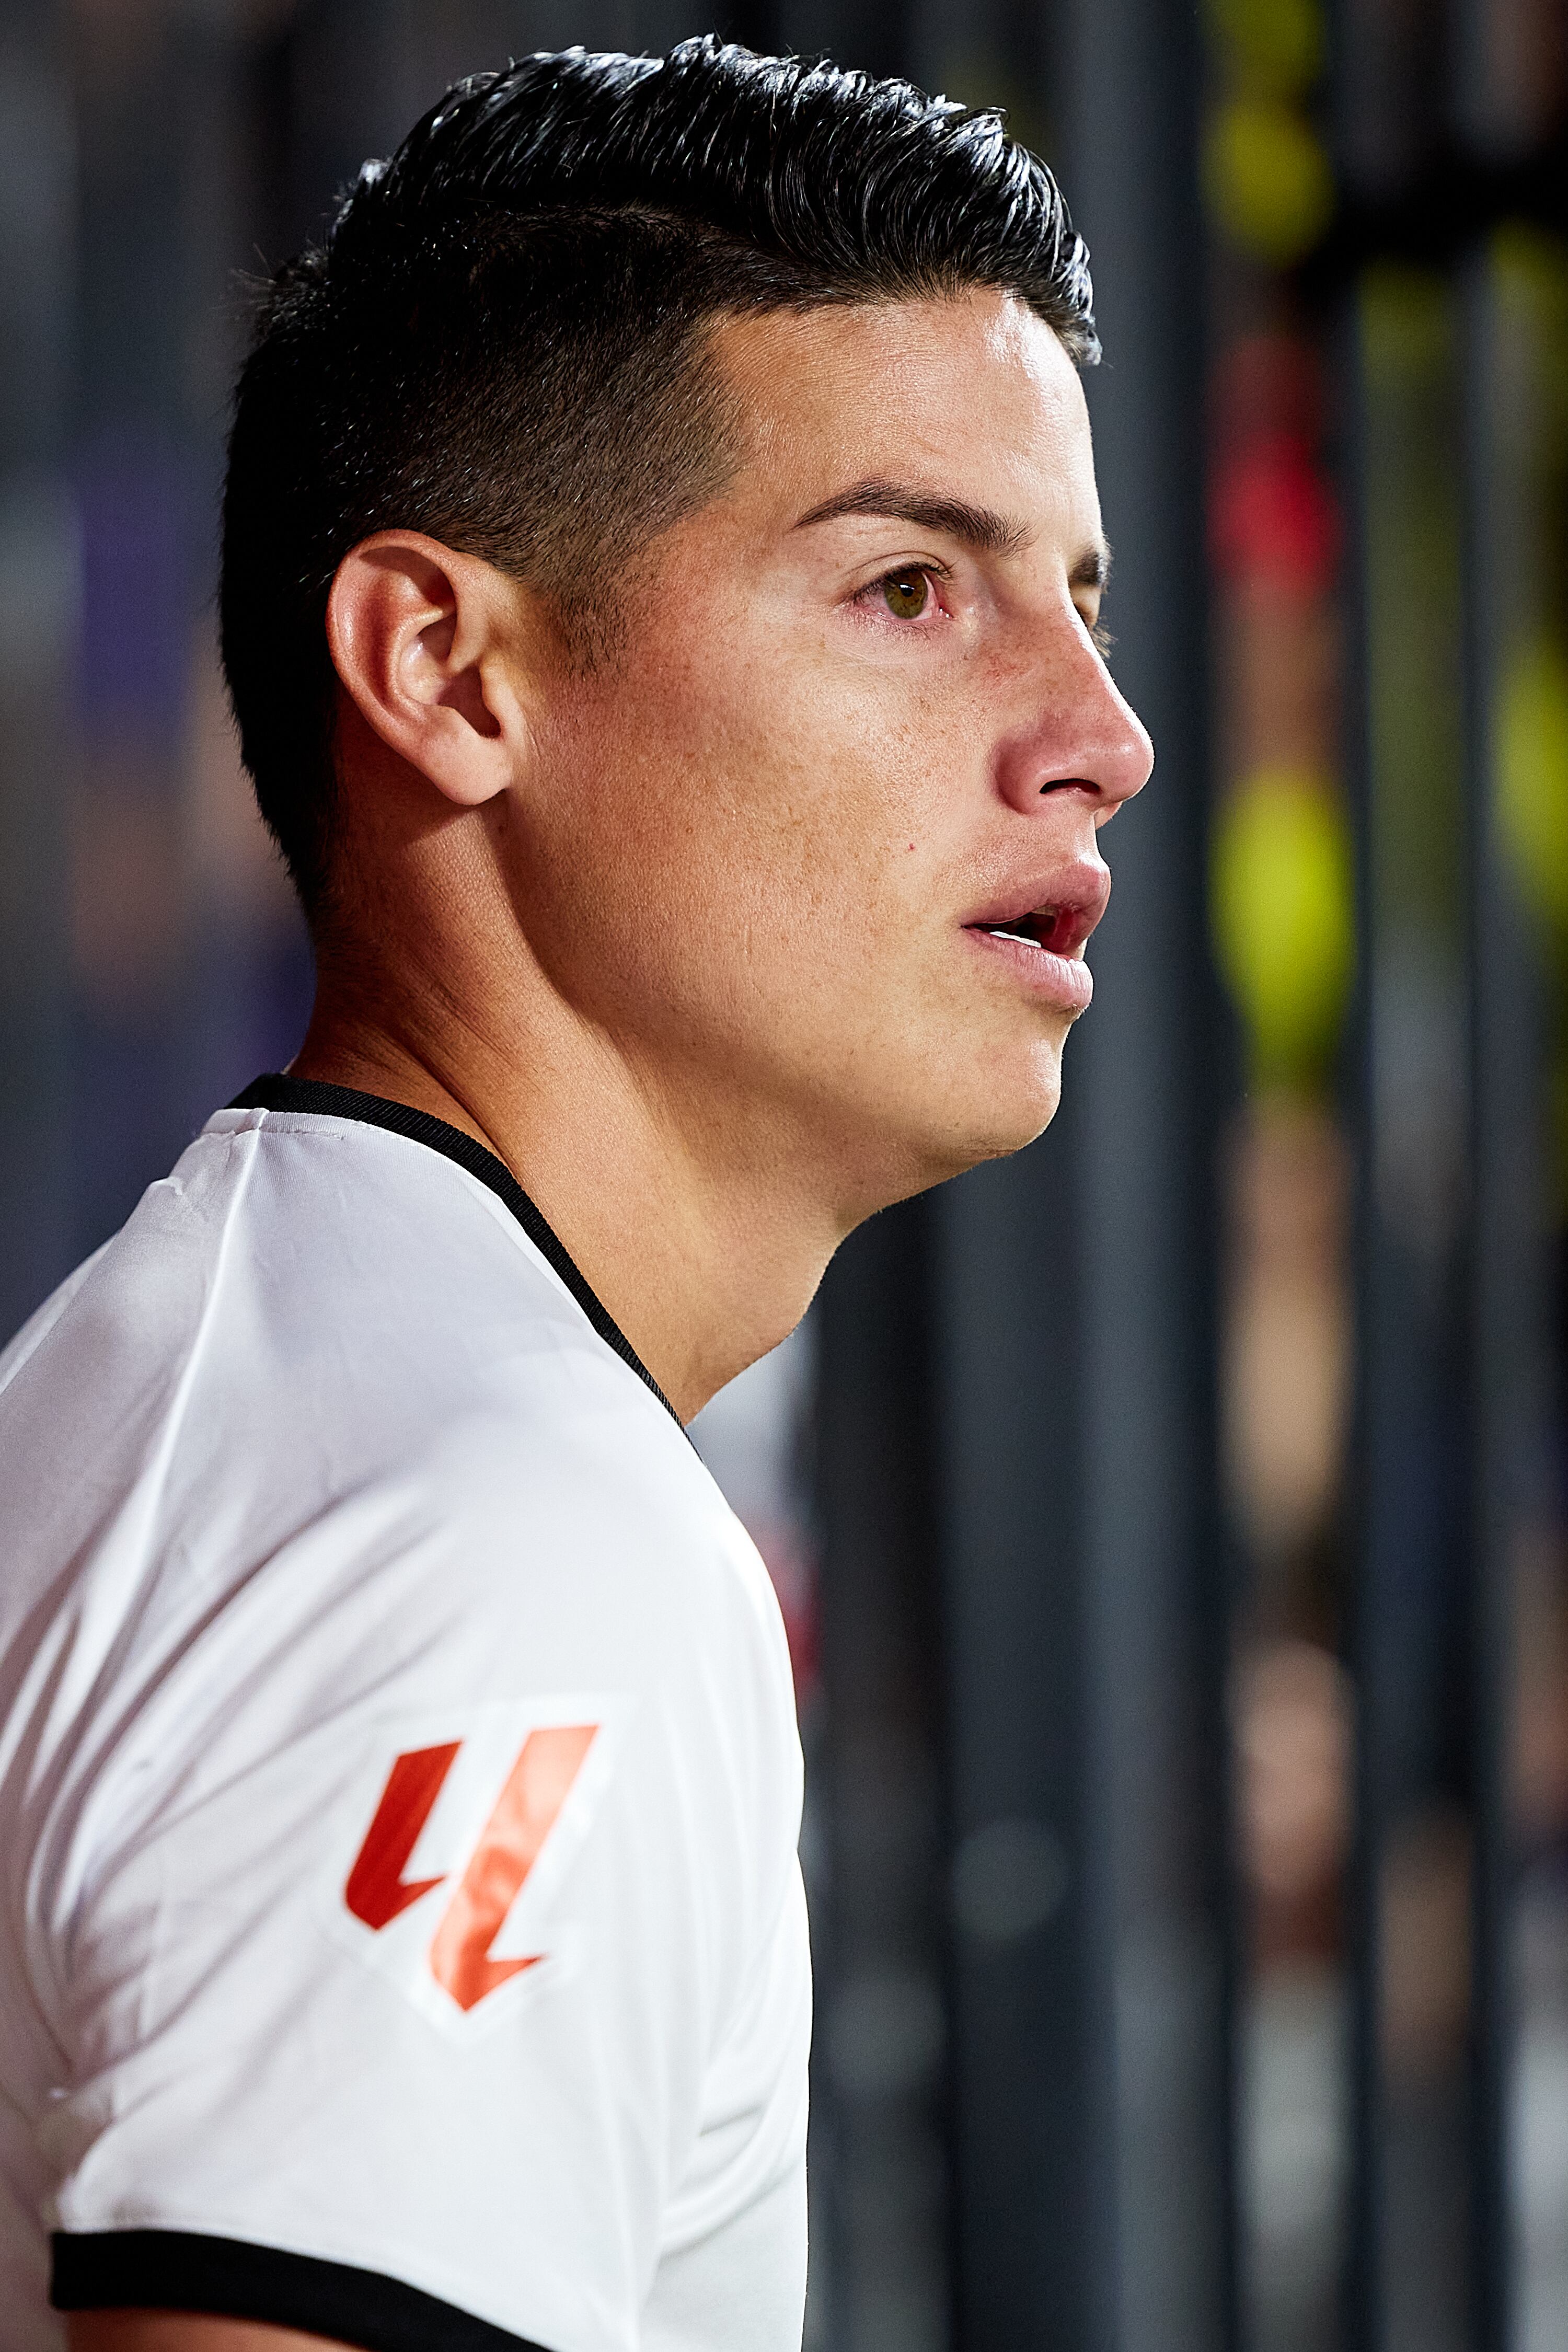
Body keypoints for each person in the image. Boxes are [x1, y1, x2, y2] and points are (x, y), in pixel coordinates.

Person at [0, 36, 1150, 2352]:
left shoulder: (224, 1376)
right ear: (443, 666)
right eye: (912, 589)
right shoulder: (503, 1540)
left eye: (1083, 593)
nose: (1099, 729)